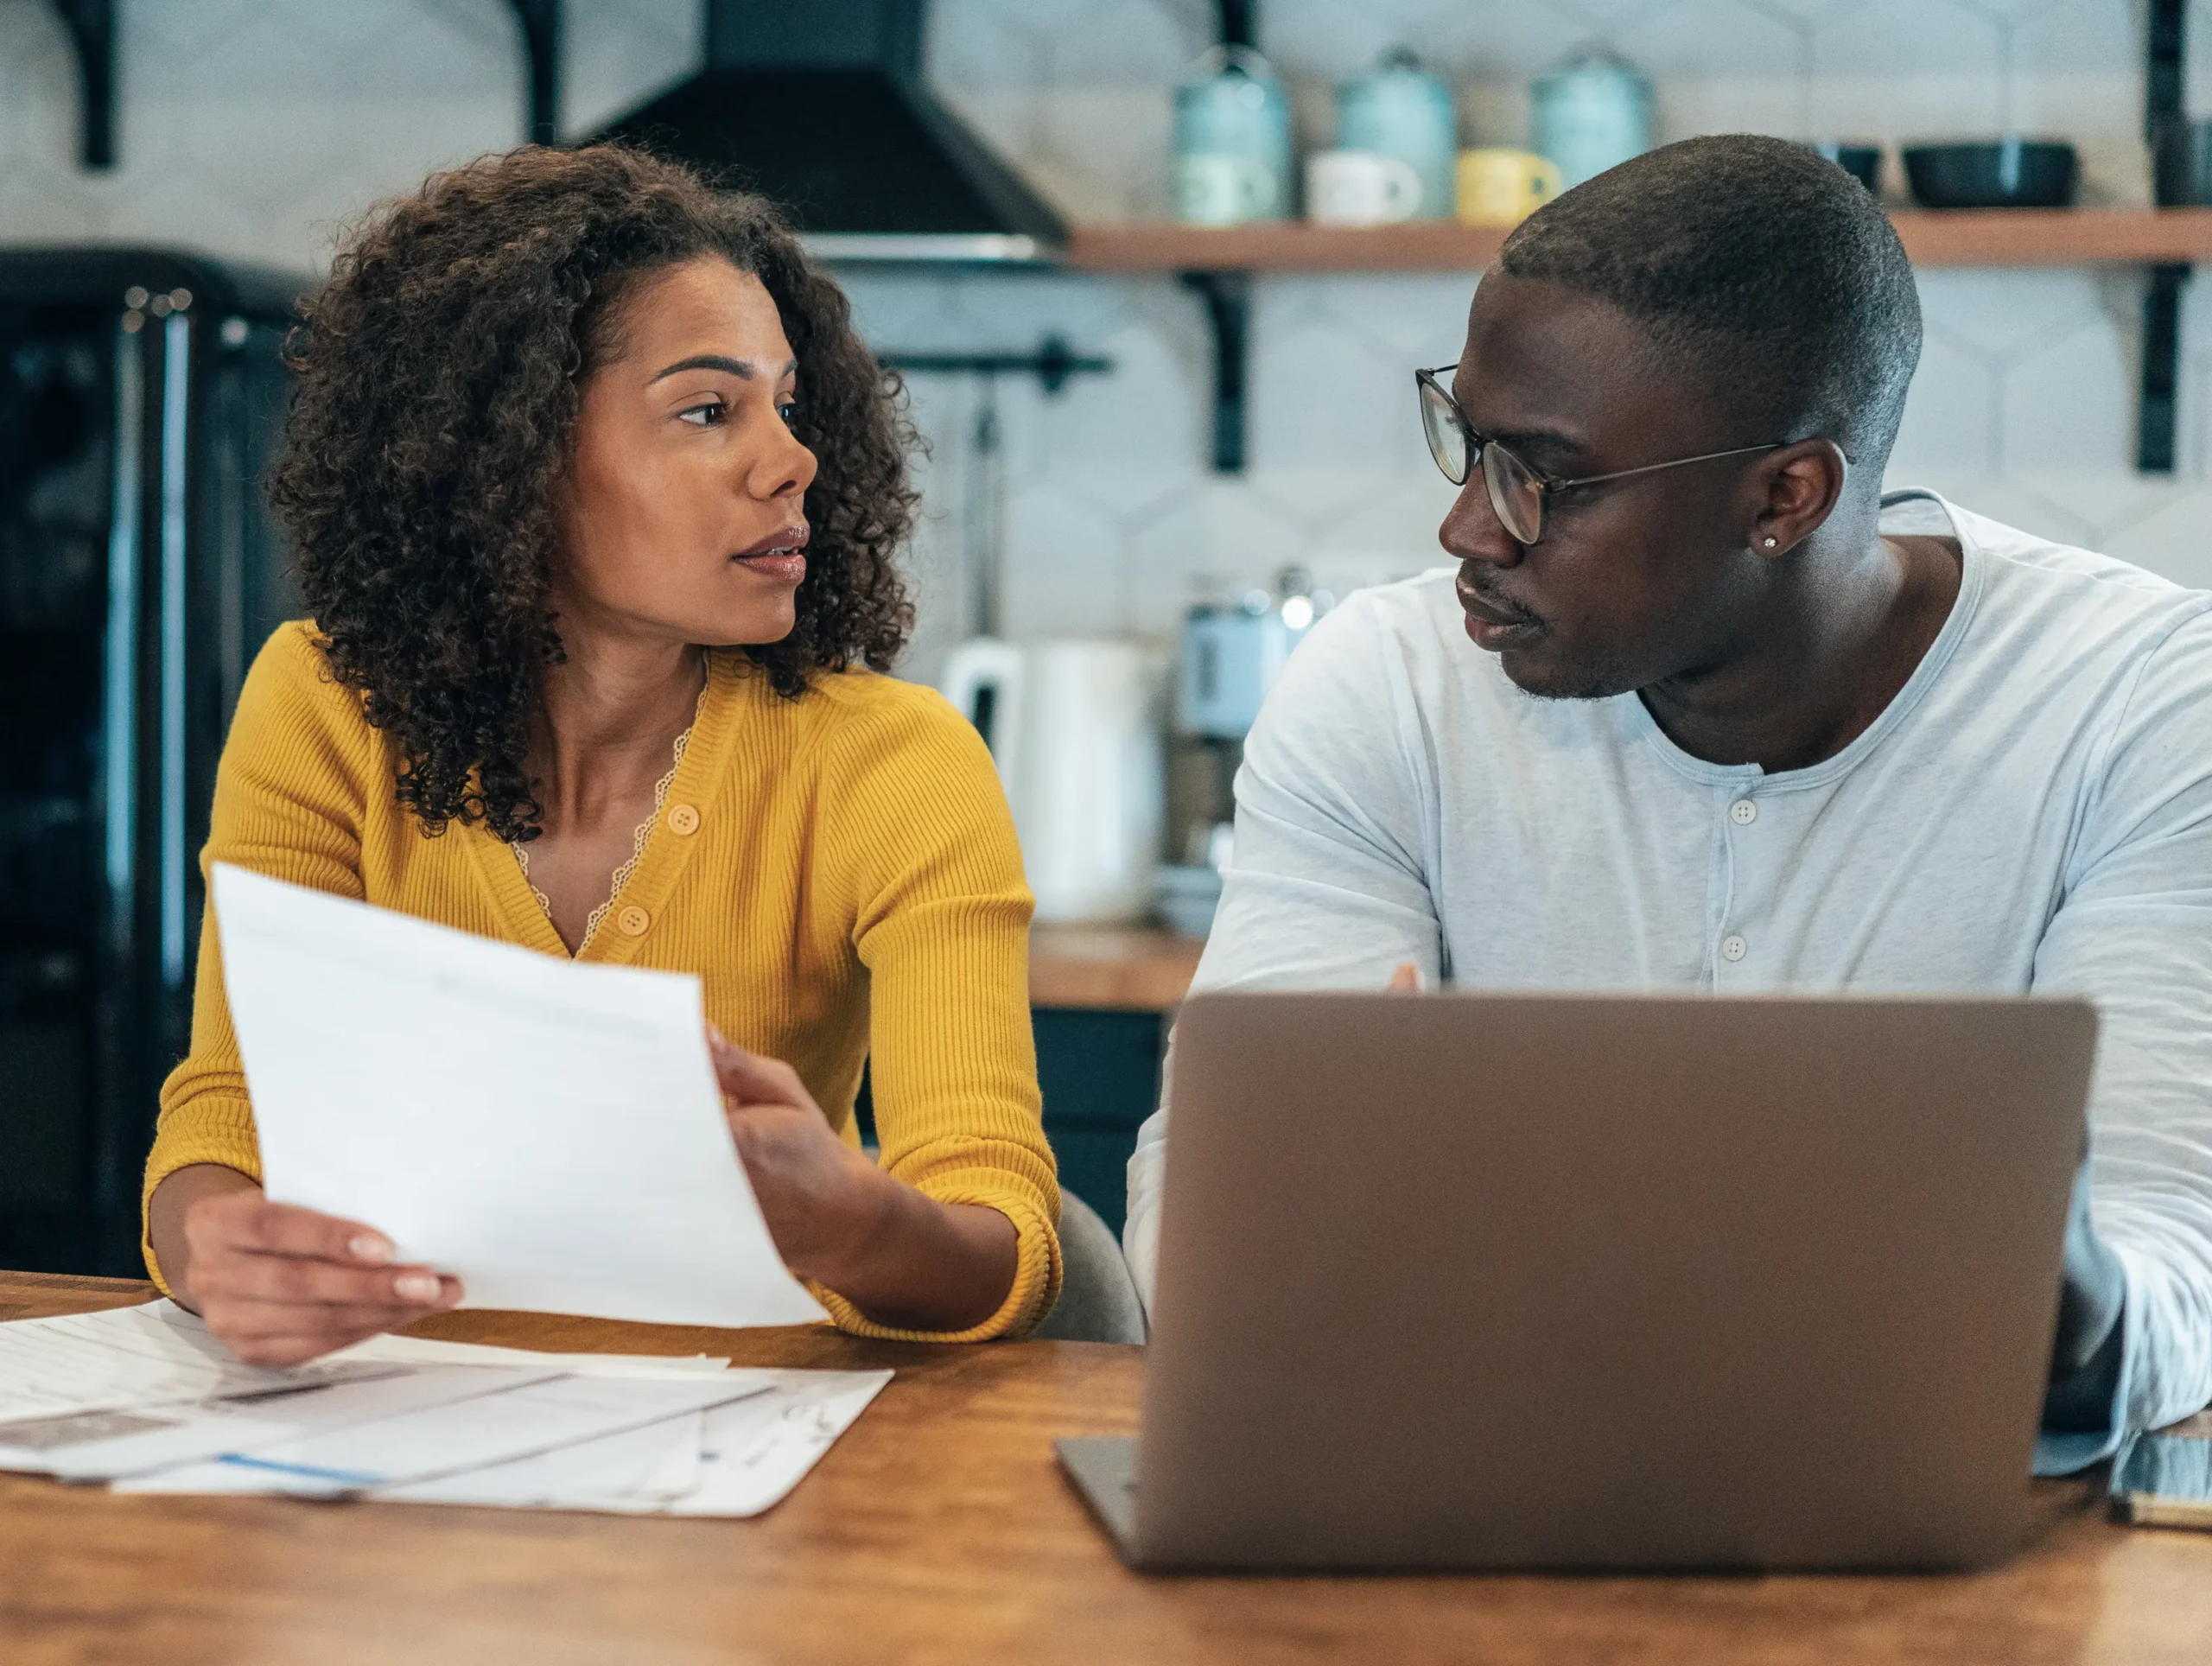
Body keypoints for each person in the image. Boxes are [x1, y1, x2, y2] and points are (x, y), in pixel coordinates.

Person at [1124, 134, 2212, 1472]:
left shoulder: (2145, 706)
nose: (1471, 528)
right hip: (1464, 1497)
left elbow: (2176, 1267)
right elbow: (1209, 1209)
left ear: (1785, 497)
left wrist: (2060, 1286)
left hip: (1930, 1536)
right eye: (1467, 444)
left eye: (1545, 477)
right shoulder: (1386, 682)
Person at [144, 145, 1060, 1364]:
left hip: (751, 1475)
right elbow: (229, 1107)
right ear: (506, 458)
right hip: (386, 1441)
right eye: (707, 410)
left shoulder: (895, 764)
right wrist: (220, 1249)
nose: (792, 460)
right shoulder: (322, 702)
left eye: (787, 405)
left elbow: (1004, 1238)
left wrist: (847, 1219)